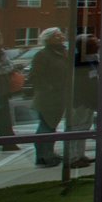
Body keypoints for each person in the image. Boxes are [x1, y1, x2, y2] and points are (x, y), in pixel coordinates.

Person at [28, 28, 70, 168]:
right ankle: (43, 156)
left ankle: (49, 153)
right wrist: (50, 87)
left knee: (51, 127)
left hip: (59, 97)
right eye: (56, 36)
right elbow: (35, 76)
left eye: (60, 34)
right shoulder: (42, 55)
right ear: (48, 39)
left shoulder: (63, 52)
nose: (60, 37)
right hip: (47, 98)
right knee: (46, 126)